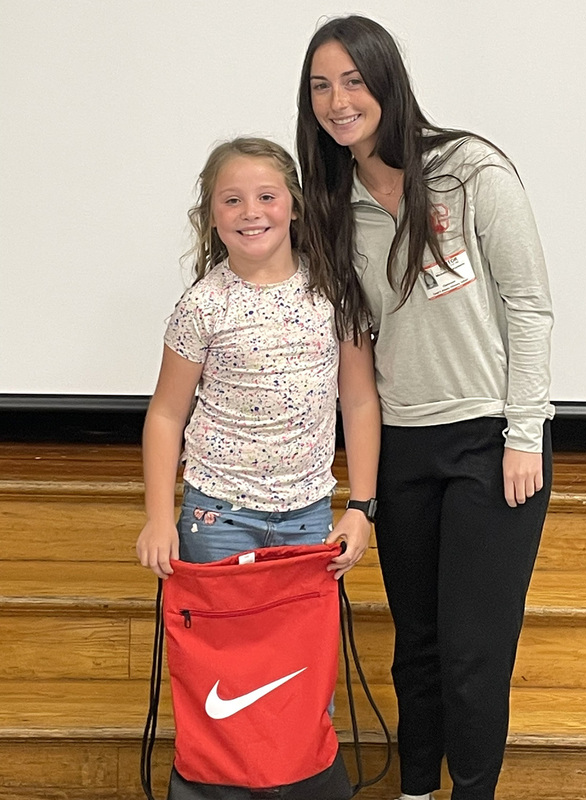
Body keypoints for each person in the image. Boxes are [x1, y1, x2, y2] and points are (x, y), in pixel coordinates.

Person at [296, 16, 554, 800]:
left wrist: (524, 434)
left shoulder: (469, 170)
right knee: (419, 650)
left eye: (353, 80)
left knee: (476, 654)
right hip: (403, 446)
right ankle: (415, 791)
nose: (339, 101)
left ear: (386, 80)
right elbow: (355, 347)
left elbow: (530, 306)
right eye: (320, 86)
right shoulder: (330, 205)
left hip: (490, 443)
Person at [136, 137, 380, 581]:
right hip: (216, 515)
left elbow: (361, 401)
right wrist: (157, 516)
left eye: (267, 197)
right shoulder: (203, 305)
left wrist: (361, 507)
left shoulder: (336, 294)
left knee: (299, 651)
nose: (251, 212)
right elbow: (167, 414)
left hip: (308, 517)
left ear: (294, 206)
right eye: (232, 200)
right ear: (211, 216)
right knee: (219, 647)